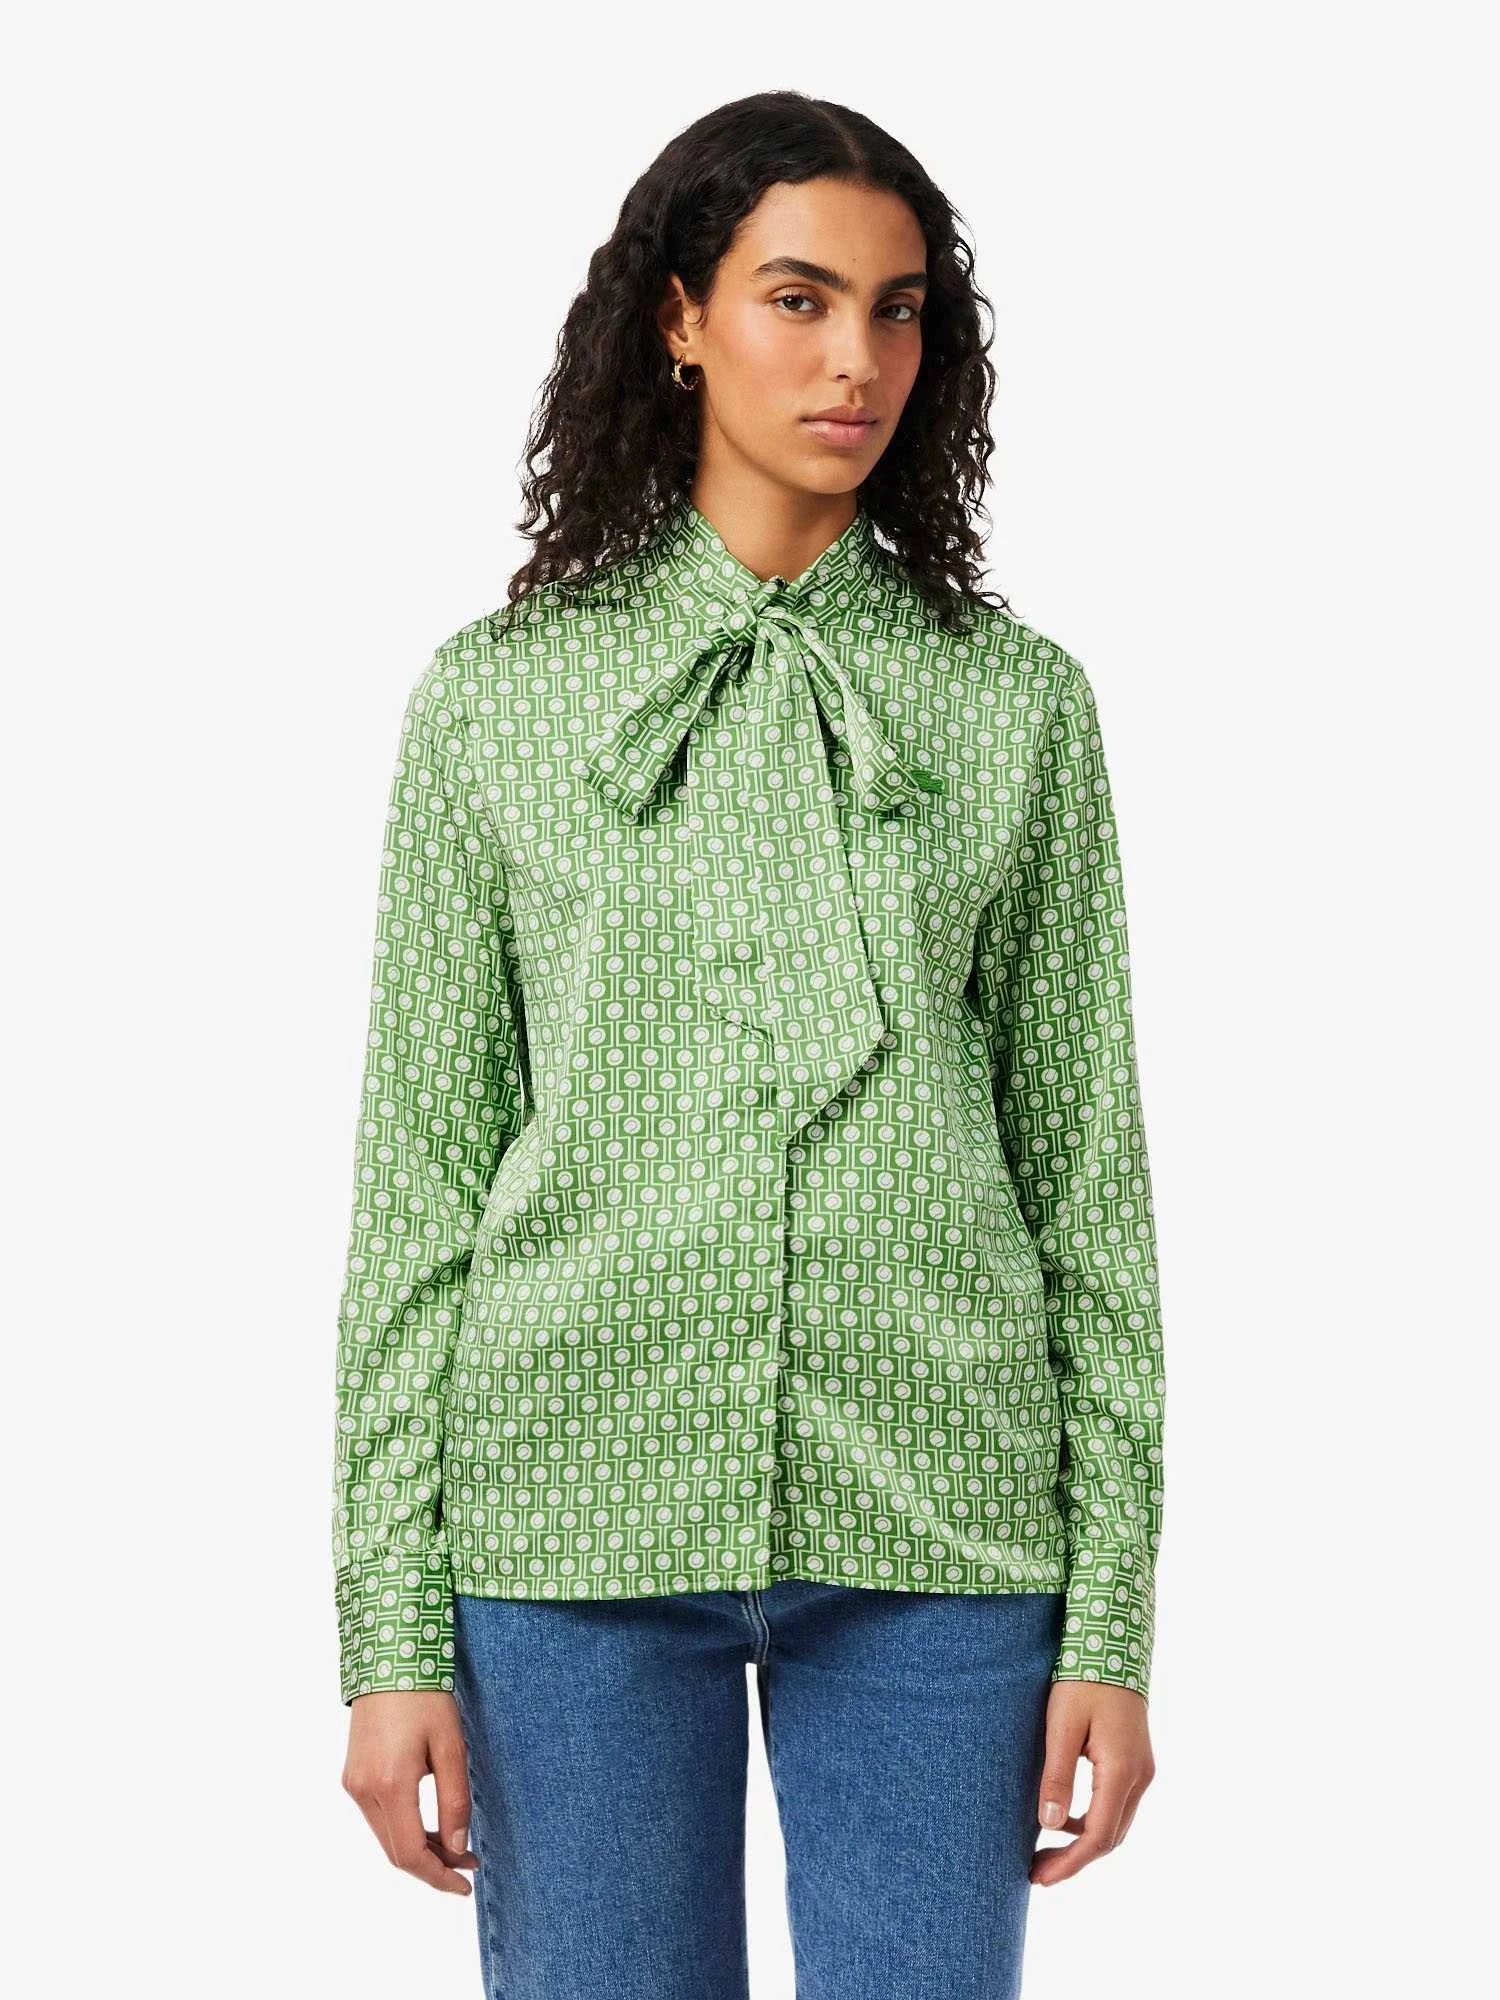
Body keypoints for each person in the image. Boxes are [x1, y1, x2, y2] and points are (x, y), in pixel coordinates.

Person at [332, 89, 1165, 2000]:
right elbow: (420, 1185)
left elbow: (1089, 1182)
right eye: (799, 298)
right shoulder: (496, 701)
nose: (855, 359)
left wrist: (1111, 1617)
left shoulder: (1018, 706)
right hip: (570, 1523)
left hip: (945, 1522)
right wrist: (388, 1631)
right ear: (681, 318)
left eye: (897, 309)